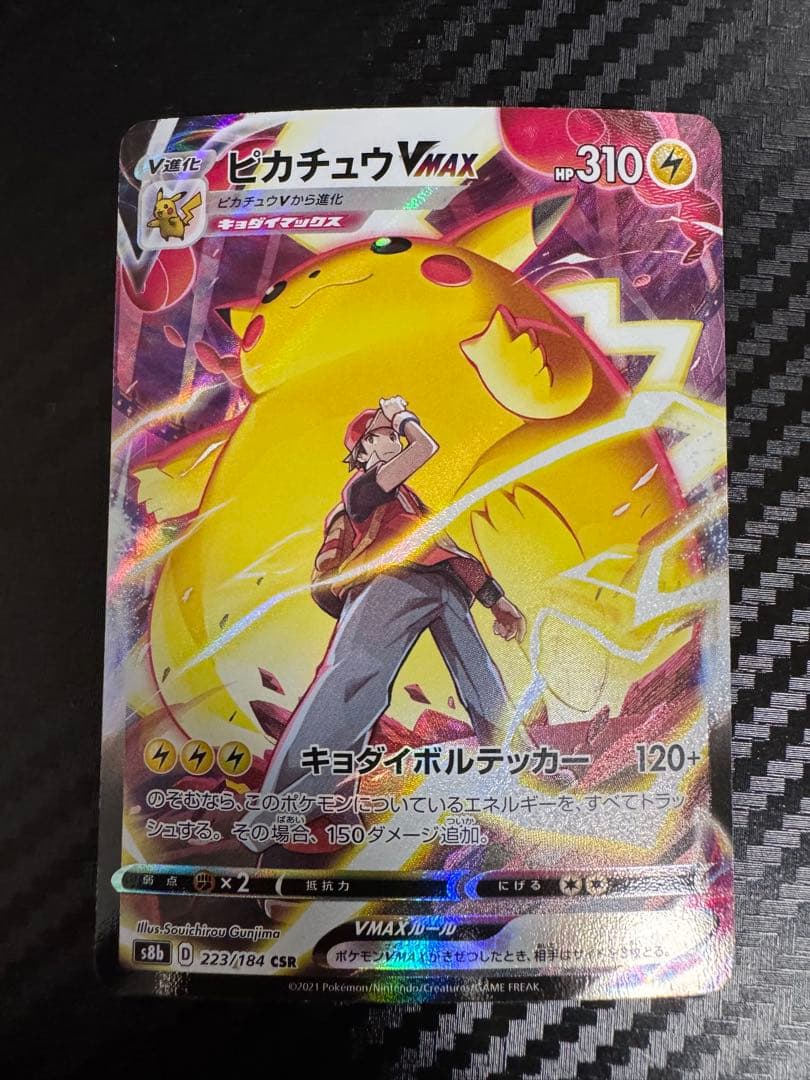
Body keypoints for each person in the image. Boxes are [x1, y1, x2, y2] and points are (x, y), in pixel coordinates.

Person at [238, 396, 525, 855]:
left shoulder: (413, 503)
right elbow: (425, 448)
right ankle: (278, 811)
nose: (392, 440)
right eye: (381, 436)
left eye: (391, 434)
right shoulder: (362, 491)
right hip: (389, 585)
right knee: (352, 689)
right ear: (363, 452)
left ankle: (522, 767)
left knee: (482, 678)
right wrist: (403, 416)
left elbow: (448, 551)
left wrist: (497, 600)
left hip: (442, 587)